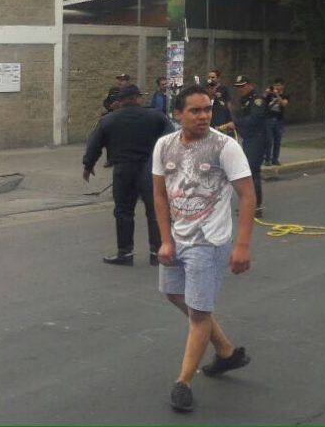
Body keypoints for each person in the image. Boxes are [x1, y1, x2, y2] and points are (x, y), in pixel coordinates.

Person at [152, 85, 255, 413]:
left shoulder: (225, 146)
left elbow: (248, 195)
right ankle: (226, 351)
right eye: (195, 110)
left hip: (209, 243)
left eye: (207, 109)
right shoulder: (164, 145)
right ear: (177, 114)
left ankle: (183, 382)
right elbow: (159, 195)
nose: (203, 116)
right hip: (178, 239)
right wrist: (165, 239)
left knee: (198, 314)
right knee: (174, 294)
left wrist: (241, 245)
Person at [83, 84, 173, 266]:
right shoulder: (155, 116)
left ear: (121, 101)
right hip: (150, 169)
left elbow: (95, 143)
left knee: (123, 211)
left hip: (123, 171)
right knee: (154, 210)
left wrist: (88, 165)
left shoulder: (109, 120)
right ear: (136, 98)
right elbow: (171, 138)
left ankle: (125, 253)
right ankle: (157, 252)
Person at [219, 75, 267, 218]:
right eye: (238, 87)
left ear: (250, 86)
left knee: (252, 172)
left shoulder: (258, 100)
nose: (240, 89)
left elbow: (254, 119)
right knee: (247, 172)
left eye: (242, 86)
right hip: (248, 139)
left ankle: (256, 206)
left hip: (257, 139)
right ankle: (250, 204)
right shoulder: (243, 101)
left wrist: (236, 124)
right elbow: (240, 117)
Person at [263, 78, 289, 166]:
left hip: (279, 121)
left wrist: (277, 94)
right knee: (269, 140)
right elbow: (261, 101)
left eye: (278, 85)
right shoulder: (270, 95)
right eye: (275, 85)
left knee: (277, 141)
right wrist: (267, 93)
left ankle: (275, 159)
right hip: (268, 120)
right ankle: (267, 159)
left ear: (282, 86)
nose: (276, 87)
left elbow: (283, 104)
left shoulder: (285, 96)